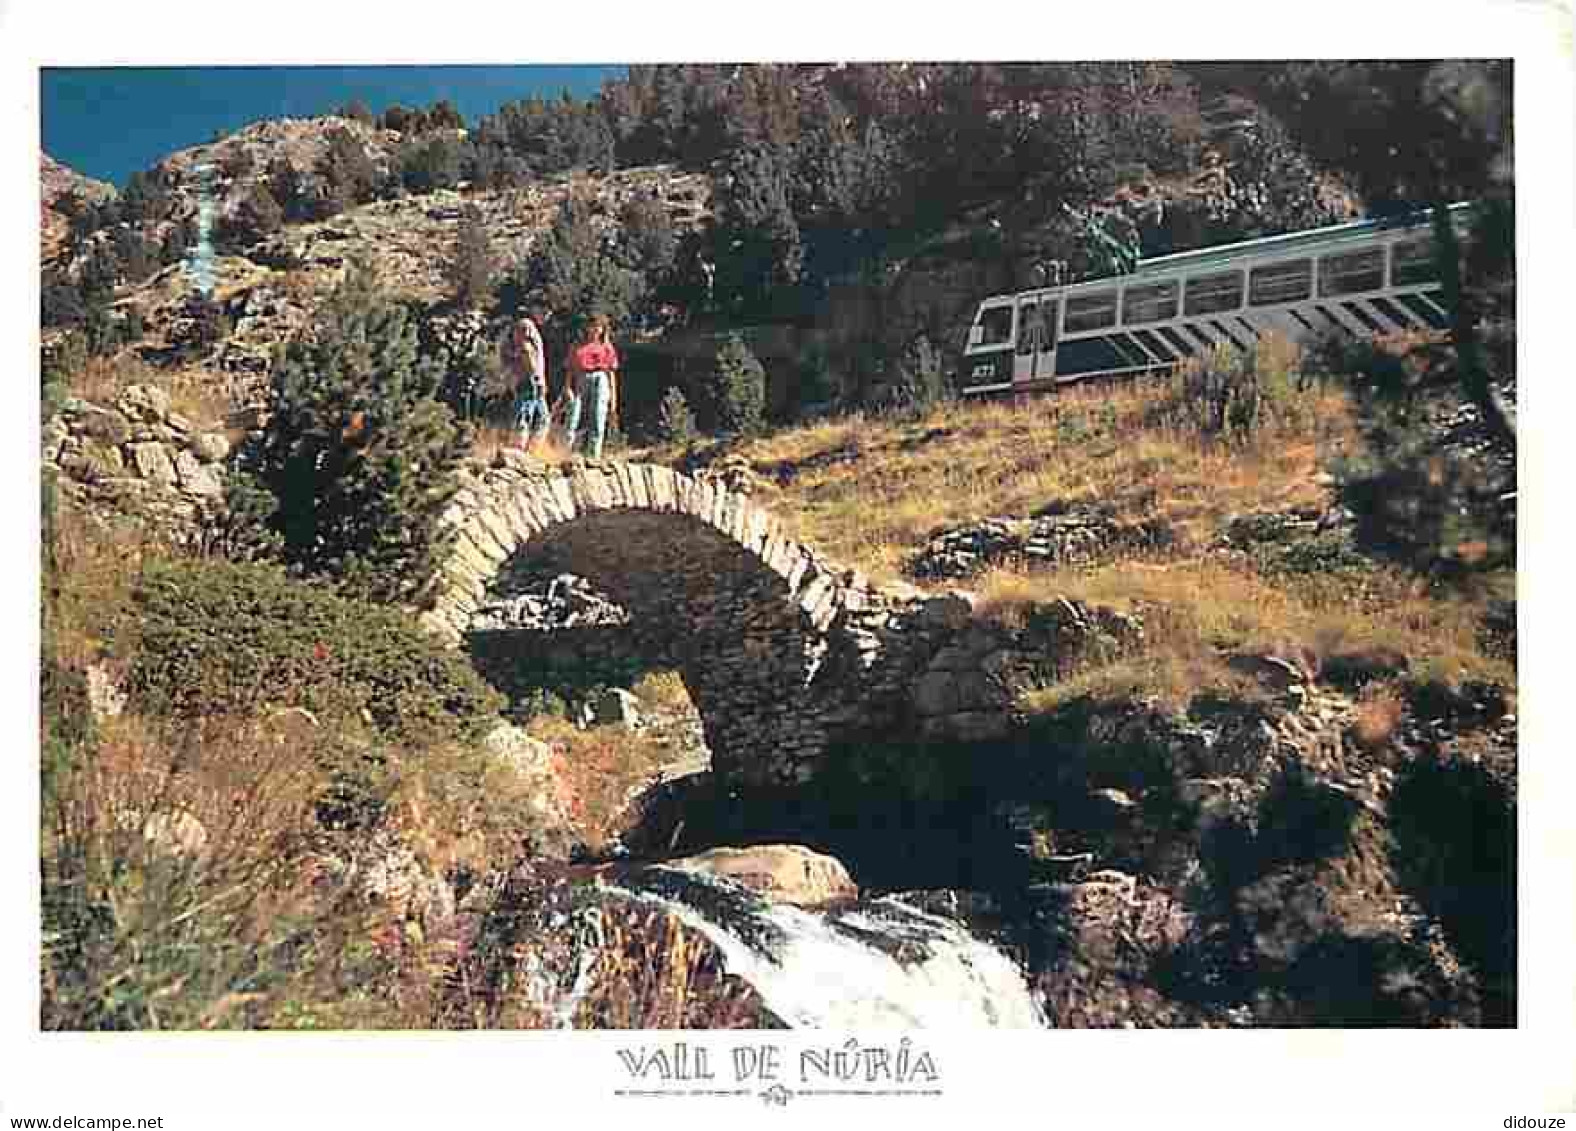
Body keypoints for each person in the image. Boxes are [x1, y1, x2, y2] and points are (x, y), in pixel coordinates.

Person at [562, 314, 620, 459]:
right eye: (592, 326)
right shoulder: (577, 345)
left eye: (598, 327)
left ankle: (593, 456)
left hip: (600, 379)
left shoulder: (606, 347)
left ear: (603, 329)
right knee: (573, 416)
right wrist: (567, 387)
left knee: (598, 418)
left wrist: (613, 399)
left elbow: (611, 373)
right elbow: (570, 369)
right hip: (581, 378)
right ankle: (564, 453)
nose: (595, 330)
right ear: (587, 328)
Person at [507, 306, 550, 453]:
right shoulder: (527, 325)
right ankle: (522, 447)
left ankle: (529, 448)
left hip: (527, 378)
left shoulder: (523, 327)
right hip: (531, 379)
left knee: (539, 416)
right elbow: (527, 350)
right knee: (528, 413)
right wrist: (537, 377)